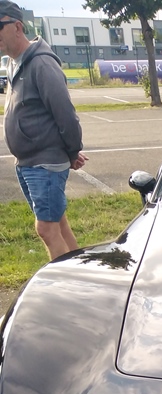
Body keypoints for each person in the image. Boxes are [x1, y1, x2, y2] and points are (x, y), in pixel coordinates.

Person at [0, 0, 87, 260]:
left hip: (44, 163)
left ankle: (64, 282)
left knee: (46, 229)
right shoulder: (13, 63)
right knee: (58, 224)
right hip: (28, 162)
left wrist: (72, 152)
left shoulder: (41, 64)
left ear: (17, 27)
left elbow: (65, 115)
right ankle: (80, 273)